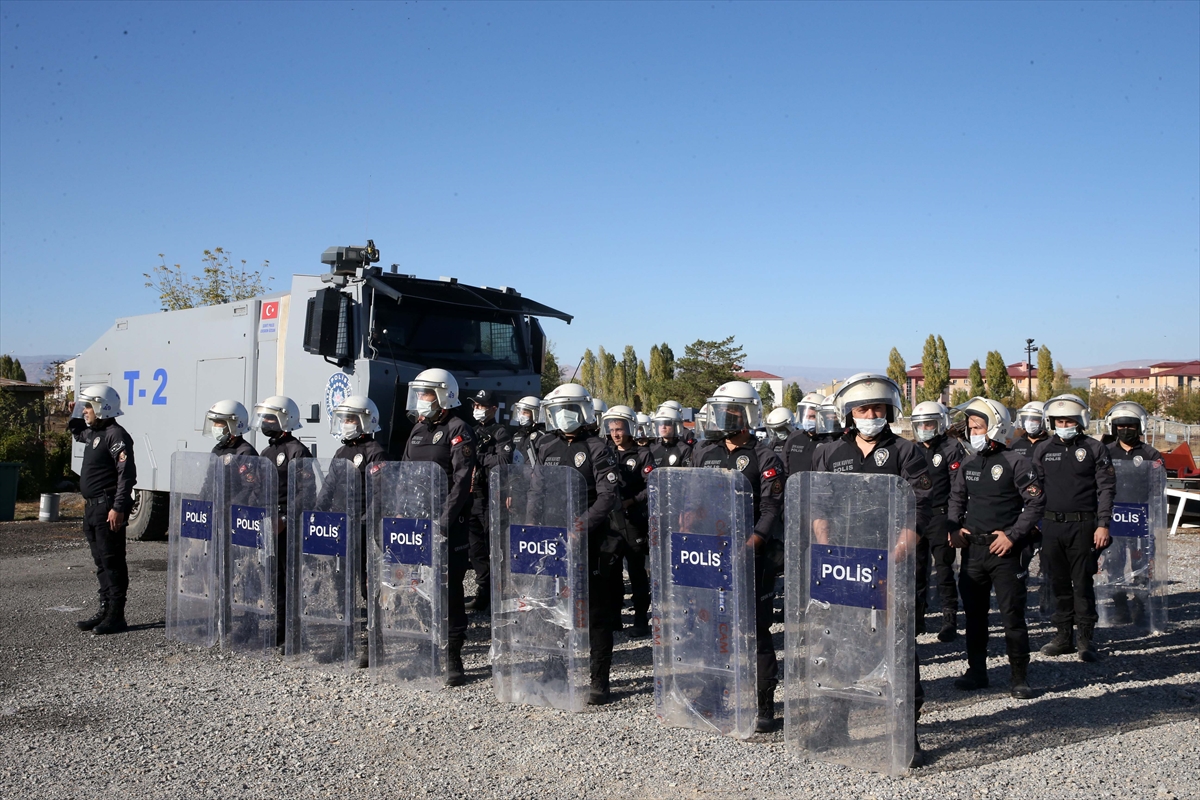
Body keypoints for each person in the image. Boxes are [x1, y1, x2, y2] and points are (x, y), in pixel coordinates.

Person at [811, 373, 932, 767]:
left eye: (878, 408)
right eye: (864, 408)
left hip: (890, 567)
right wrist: (826, 546)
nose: (871, 414)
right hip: (845, 568)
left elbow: (921, 509)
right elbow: (820, 505)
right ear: (850, 413)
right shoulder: (831, 453)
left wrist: (897, 552)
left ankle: (906, 735)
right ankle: (834, 723)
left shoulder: (907, 452)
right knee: (837, 644)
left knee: (899, 647)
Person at [691, 381, 785, 733]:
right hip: (713, 554)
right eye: (720, 411)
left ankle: (765, 705)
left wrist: (754, 541)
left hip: (753, 555)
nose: (723, 419)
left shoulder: (765, 456)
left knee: (756, 630)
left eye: (730, 412)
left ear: (747, 414)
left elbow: (772, 506)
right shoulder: (704, 451)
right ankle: (714, 692)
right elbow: (694, 496)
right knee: (713, 626)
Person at [948, 397, 1044, 699]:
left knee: (1012, 616)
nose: (973, 432)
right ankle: (977, 671)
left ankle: (1019, 676)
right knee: (975, 617)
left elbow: (1036, 502)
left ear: (996, 428)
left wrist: (1013, 536)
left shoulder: (1017, 462)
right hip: (973, 552)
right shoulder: (969, 462)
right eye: (971, 427)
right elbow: (956, 499)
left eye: (979, 427)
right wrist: (954, 527)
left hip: (1006, 553)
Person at [532, 382, 621, 704]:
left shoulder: (597, 446)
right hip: (553, 541)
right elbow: (537, 490)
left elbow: (608, 496)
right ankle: (555, 669)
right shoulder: (546, 445)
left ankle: (599, 679)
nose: (563, 417)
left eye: (569, 410)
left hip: (591, 539)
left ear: (582, 411)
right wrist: (533, 528)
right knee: (552, 607)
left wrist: (580, 525)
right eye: (558, 411)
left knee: (596, 612)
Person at [402, 369, 476, 685]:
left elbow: (462, 480)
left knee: (448, 591)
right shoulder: (417, 430)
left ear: (444, 395)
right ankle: (424, 651)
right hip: (416, 524)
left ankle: (452, 657)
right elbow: (403, 473)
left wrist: (443, 522)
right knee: (417, 588)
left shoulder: (458, 430)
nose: (421, 401)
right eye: (419, 394)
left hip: (448, 524)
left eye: (427, 394)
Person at [1032, 394, 1115, 663]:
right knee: (1057, 582)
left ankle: (1085, 640)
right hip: (1052, 526)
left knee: (1082, 583)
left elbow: (1106, 489)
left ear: (1079, 422)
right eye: (1058, 421)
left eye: (1068, 420)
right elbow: (1035, 490)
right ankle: (1063, 636)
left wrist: (1103, 524)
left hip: (1084, 525)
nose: (1063, 425)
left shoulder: (1094, 448)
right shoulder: (1043, 449)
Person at [68, 385, 136, 636]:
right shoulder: (96, 433)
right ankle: (104, 609)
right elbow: (77, 432)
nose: (85, 411)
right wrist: (75, 412)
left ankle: (116, 616)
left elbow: (126, 475)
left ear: (101, 407)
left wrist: (118, 507)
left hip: (107, 507)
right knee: (100, 562)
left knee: (112, 561)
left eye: (88, 406)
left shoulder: (115, 434)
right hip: (92, 507)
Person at [329, 394, 390, 666]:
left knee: (369, 587)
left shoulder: (374, 451)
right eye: (343, 419)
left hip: (365, 528)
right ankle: (343, 637)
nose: (345, 423)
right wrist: (316, 513)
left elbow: (381, 492)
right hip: (342, 528)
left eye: (350, 419)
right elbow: (329, 487)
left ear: (365, 420)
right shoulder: (341, 452)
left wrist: (367, 519)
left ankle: (374, 642)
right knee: (340, 584)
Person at [252, 395, 312, 647]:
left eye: (270, 417)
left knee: (291, 578)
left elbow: (308, 491)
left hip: (289, 524)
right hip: (269, 522)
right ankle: (280, 626)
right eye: (263, 417)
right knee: (274, 577)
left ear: (285, 419)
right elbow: (258, 487)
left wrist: (286, 517)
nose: (265, 421)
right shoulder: (267, 451)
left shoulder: (297, 450)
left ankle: (294, 631)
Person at [1101, 400, 1163, 624]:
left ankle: (1139, 606)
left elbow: (1157, 487)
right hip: (1114, 518)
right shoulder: (1105, 453)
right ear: (1114, 427)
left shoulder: (1151, 454)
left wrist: (1152, 514)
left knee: (1142, 565)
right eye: (1120, 426)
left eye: (1130, 426)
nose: (1125, 430)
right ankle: (1119, 607)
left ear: (1140, 427)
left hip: (1140, 518)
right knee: (1113, 563)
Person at [910, 400, 965, 640]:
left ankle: (949, 619)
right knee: (916, 571)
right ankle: (917, 619)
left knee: (944, 570)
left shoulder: (952, 448)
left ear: (940, 423)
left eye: (929, 423)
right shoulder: (912, 449)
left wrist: (954, 523)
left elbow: (958, 488)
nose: (925, 428)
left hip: (942, 516)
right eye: (920, 424)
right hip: (917, 516)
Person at [602, 405, 655, 639]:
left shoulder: (643, 454)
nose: (615, 433)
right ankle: (613, 617)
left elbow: (651, 486)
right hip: (611, 521)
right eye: (612, 429)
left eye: (620, 429)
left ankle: (641, 619)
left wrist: (631, 501)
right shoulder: (605, 452)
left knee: (636, 571)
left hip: (634, 520)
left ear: (630, 429)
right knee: (611, 570)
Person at [465, 389, 513, 614]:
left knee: (495, 546)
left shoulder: (500, 432)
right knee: (476, 550)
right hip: (472, 496)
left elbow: (504, 460)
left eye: (481, 406)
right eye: (475, 406)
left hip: (492, 495)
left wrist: (480, 457)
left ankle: (499, 594)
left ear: (493, 408)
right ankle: (484, 590)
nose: (477, 410)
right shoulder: (472, 432)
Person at [509, 395, 545, 465]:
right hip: (516, 473)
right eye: (520, 412)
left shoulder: (543, 435)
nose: (521, 415)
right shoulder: (517, 435)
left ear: (536, 414)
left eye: (525, 412)